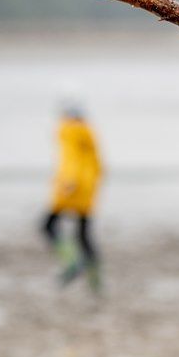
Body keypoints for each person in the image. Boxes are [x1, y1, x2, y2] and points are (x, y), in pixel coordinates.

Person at [41, 102, 104, 290]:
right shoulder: (89, 132)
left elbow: (71, 160)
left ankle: (71, 262)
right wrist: (91, 185)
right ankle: (96, 283)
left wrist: (69, 181)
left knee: (48, 225)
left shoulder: (69, 131)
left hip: (71, 187)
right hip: (88, 189)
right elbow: (99, 165)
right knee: (84, 234)